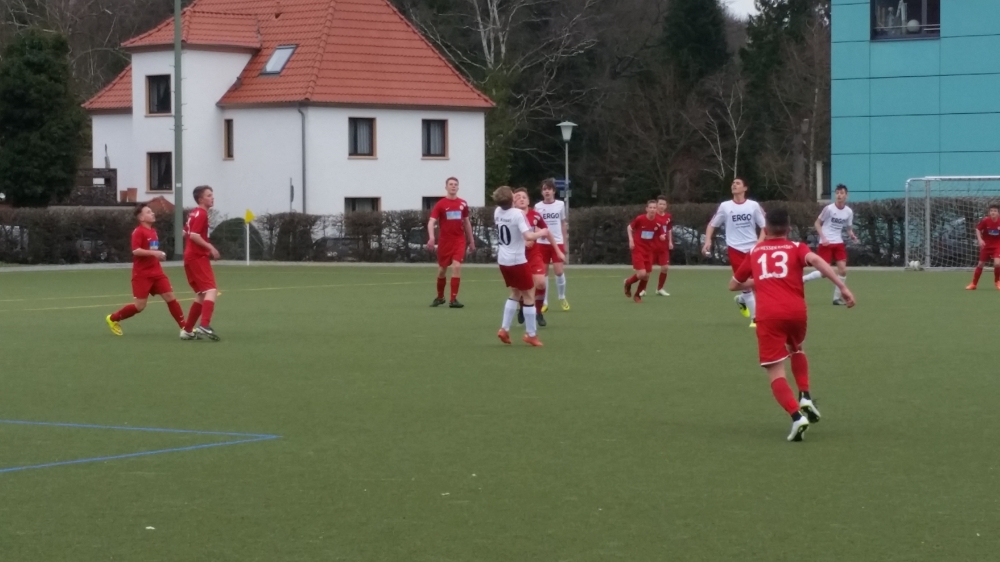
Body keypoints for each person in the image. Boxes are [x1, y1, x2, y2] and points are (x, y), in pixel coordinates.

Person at [730, 208, 856, 442]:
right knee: (796, 348)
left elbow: (734, 285)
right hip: (797, 312)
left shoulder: (755, 251)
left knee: (775, 370)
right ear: (788, 229)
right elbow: (816, 261)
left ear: (765, 229)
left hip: (769, 316)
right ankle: (805, 395)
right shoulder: (797, 247)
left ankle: (796, 416)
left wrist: (760, 281)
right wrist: (842, 287)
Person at [105, 203, 186, 336]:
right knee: (140, 306)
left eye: (151, 211)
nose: (152, 213)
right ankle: (113, 318)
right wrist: (154, 253)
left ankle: (185, 328)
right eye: (148, 212)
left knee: (170, 297)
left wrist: (158, 256)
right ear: (141, 218)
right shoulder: (138, 232)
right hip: (142, 274)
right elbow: (136, 251)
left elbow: (151, 251)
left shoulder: (153, 231)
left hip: (157, 272)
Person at [703, 177, 766, 327]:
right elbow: (712, 225)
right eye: (733, 183)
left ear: (745, 188)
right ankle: (755, 319)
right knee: (744, 283)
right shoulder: (725, 206)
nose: (734, 185)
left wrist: (759, 242)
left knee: (757, 283)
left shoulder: (753, 205)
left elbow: (765, 226)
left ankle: (742, 301)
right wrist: (707, 241)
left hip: (752, 249)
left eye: (738, 183)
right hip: (735, 249)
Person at [493, 186, 547, 347]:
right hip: (517, 260)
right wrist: (542, 232)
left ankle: (504, 329)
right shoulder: (518, 214)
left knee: (515, 292)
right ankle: (531, 334)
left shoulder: (497, 211)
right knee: (529, 295)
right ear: (511, 199)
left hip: (503, 260)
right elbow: (528, 236)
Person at [514, 188, 565, 327]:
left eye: (524, 197)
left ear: (528, 201)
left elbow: (546, 232)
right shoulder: (511, 216)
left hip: (533, 254)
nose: (522, 199)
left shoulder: (535, 215)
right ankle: (522, 307)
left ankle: (538, 312)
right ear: (514, 202)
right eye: (518, 197)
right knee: (520, 287)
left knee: (541, 283)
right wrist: (523, 241)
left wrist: (558, 251)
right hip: (517, 256)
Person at [802, 184, 858, 304]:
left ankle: (836, 298)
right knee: (824, 273)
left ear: (846, 195)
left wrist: (852, 235)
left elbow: (848, 228)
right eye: (837, 193)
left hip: (838, 243)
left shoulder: (848, 212)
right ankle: (804, 279)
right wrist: (823, 238)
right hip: (826, 243)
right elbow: (817, 223)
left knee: (843, 270)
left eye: (841, 193)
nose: (839, 195)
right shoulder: (829, 209)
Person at [427, 177, 476, 308]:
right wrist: (431, 237)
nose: (453, 186)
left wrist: (471, 240)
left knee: (456, 266)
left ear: (458, 187)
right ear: (446, 187)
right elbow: (431, 221)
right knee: (442, 270)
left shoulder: (463, 203)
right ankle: (440, 297)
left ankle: (453, 299)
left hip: (459, 240)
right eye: (451, 184)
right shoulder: (441, 204)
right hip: (445, 241)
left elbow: (466, 222)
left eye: (455, 184)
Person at [181, 185, 222, 341]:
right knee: (211, 290)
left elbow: (184, 233)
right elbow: (194, 235)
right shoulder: (202, 214)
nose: (212, 197)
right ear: (200, 199)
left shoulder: (193, 213)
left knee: (201, 294)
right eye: (209, 195)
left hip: (190, 256)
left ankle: (188, 330)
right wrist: (211, 247)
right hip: (197, 257)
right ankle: (204, 325)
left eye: (212, 194)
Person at [534, 179, 570, 312]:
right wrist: (539, 232)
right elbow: (535, 224)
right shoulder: (538, 207)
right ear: (542, 192)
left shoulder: (560, 205)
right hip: (542, 243)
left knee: (559, 271)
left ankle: (562, 297)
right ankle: (544, 302)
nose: (547, 191)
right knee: (543, 273)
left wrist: (565, 243)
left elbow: (563, 224)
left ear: (554, 191)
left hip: (557, 242)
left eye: (549, 189)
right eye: (544, 189)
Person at [625, 201, 667, 303]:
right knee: (642, 274)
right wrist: (631, 240)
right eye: (650, 207)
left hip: (649, 250)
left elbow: (661, 233)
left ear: (656, 210)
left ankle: (637, 295)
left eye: (654, 208)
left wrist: (662, 236)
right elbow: (629, 228)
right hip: (638, 249)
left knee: (647, 275)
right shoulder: (640, 219)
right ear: (646, 209)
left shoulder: (658, 222)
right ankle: (628, 282)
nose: (652, 209)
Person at [642, 195, 674, 297]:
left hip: (663, 247)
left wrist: (670, 242)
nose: (662, 206)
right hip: (651, 246)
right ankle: (643, 289)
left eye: (664, 204)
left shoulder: (668, 216)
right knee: (647, 270)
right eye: (660, 204)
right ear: (657, 205)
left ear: (666, 206)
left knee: (665, 267)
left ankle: (660, 289)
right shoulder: (652, 216)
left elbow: (669, 229)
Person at [966, 203, 1000, 290]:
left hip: (997, 245)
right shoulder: (985, 221)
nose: (993, 212)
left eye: (995, 211)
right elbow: (978, 229)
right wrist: (980, 240)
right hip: (986, 245)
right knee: (980, 264)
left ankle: (997, 282)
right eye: (991, 211)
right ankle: (974, 284)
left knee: (997, 263)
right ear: (989, 212)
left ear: (998, 213)